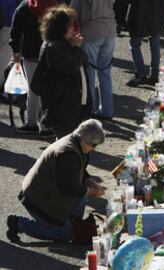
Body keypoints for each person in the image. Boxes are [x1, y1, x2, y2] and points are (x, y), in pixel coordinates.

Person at [6, 119, 106, 243]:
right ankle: (19, 223)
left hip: (48, 191)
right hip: (38, 198)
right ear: (84, 140)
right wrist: (92, 191)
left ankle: (71, 224)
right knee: (65, 233)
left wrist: (91, 182)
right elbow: (68, 187)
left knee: (83, 195)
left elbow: (78, 171)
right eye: (93, 145)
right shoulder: (68, 153)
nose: (94, 149)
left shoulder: (76, 143)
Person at [37, 4, 88, 138]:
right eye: (70, 25)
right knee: (66, 143)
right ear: (61, 27)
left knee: (67, 141)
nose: (73, 28)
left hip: (68, 104)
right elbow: (72, 66)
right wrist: (76, 48)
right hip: (62, 106)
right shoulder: (54, 47)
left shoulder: (62, 44)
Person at [9, 0, 57, 137]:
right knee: (49, 89)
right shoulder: (55, 4)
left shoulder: (25, 7)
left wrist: (16, 50)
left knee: (33, 89)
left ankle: (32, 123)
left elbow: (16, 30)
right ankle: (47, 126)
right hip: (51, 53)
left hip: (30, 53)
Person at [70, 0, 116, 120]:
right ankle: (107, 110)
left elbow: (72, 11)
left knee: (89, 74)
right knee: (105, 73)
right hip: (109, 29)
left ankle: (90, 108)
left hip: (91, 31)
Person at [126, 0, 164, 87]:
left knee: (135, 43)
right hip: (158, 12)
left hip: (139, 13)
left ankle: (140, 74)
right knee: (154, 42)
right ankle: (154, 75)